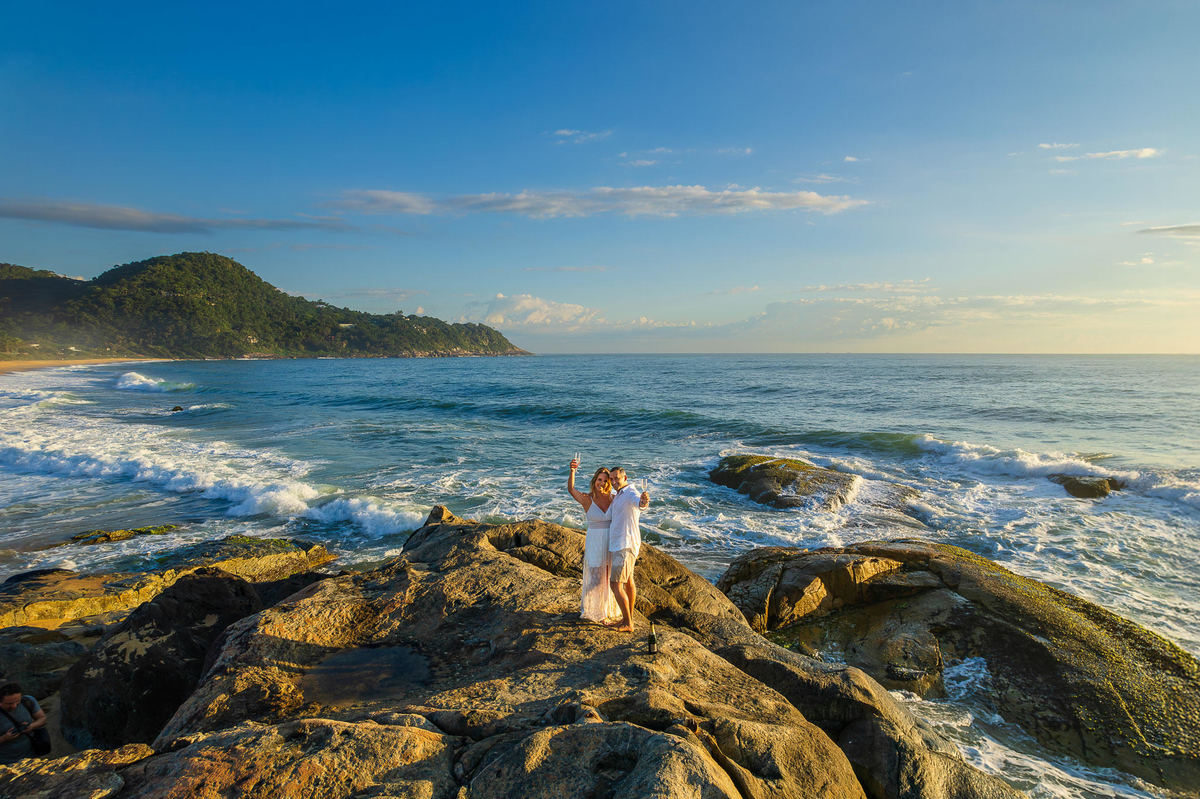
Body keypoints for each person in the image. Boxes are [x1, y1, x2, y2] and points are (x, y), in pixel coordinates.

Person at [566, 460, 619, 625]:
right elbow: (571, 489)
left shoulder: (614, 498)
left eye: (605, 480)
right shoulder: (587, 499)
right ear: (594, 481)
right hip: (595, 541)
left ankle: (608, 611)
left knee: (610, 577)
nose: (602, 483)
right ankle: (592, 609)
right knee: (596, 577)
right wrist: (572, 471)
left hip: (611, 540)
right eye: (599, 479)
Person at [607, 467, 650, 633]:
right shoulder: (619, 494)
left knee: (615, 584)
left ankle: (628, 623)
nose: (614, 482)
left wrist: (644, 501)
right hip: (622, 544)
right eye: (612, 479)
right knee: (629, 582)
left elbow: (640, 503)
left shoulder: (631, 492)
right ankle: (627, 618)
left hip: (625, 545)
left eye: (617, 478)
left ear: (625, 477)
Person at [0, 683, 47, 764]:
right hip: (5, 762)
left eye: (17, 702)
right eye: (9, 704)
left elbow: (42, 718)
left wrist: (31, 726)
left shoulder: (27, 701)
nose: (14, 706)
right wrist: (4, 738)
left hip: (32, 756)